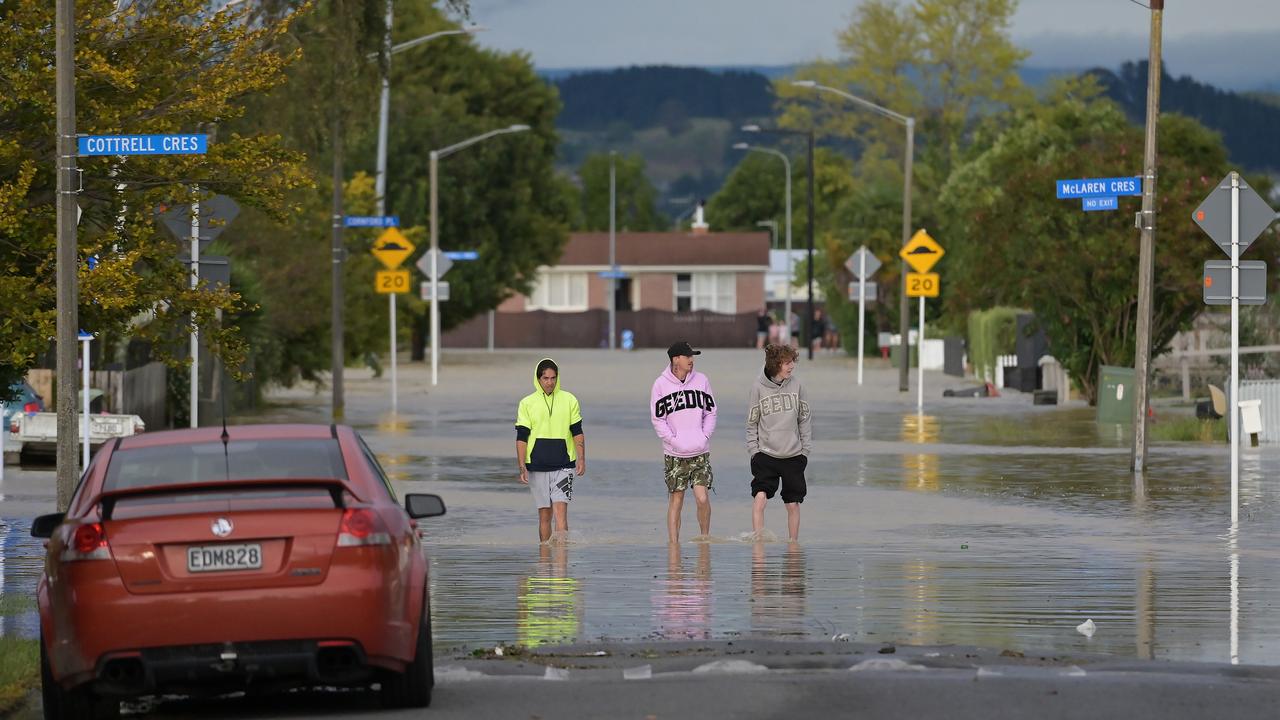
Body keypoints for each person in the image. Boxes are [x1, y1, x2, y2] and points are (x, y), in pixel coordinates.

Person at [650, 341, 717, 544]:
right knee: (676, 500)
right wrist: (672, 440)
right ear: (675, 359)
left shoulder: (702, 380)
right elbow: (657, 419)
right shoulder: (660, 385)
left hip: (699, 451)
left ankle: (704, 539)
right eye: (687, 356)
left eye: (692, 356)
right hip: (674, 454)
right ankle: (674, 544)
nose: (691, 360)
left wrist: (704, 436)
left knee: (702, 498)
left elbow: (711, 412)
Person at [746, 343, 811, 541]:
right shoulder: (758, 387)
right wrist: (754, 451)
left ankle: (793, 546)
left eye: (793, 362)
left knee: (793, 503)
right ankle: (758, 543)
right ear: (776, 364)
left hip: (793, 455)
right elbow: (751, 422)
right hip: (765, 455)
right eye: (787, 363)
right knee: (760, 499)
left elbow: (804, 419)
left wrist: (805, 451)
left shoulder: (797, 385)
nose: (791, 366)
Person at [516, 358, 585, 543]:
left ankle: (561, 567)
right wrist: (521, 465)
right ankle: (545, 561)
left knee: (561, 515)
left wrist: (581, 459)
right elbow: (522, 437)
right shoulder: (527, 403)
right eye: (545, 378)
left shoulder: (569, 399)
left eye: (553, 378)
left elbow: (577, 432)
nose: (550, 382)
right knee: (545, 515)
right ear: (538, 379)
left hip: (564, 464)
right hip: (537, 465)